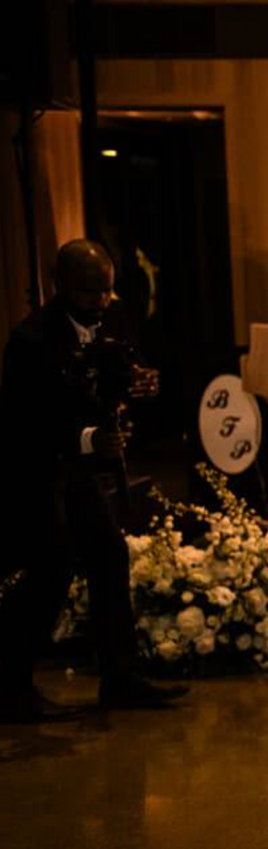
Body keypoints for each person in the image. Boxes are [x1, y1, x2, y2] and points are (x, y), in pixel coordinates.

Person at [0, 240, 187, 721]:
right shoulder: (29, 341)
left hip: (78, 467)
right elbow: (26, 424)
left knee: (109, 553)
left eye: (107, 290)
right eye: (90, 292)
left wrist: (139, 384)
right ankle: (10, 684)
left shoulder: (116, 317)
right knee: (52, 565)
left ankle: (120, 678)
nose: (102, 301)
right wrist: (89, 439)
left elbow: (117, 376)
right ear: (60, 286)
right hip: (35, 468)